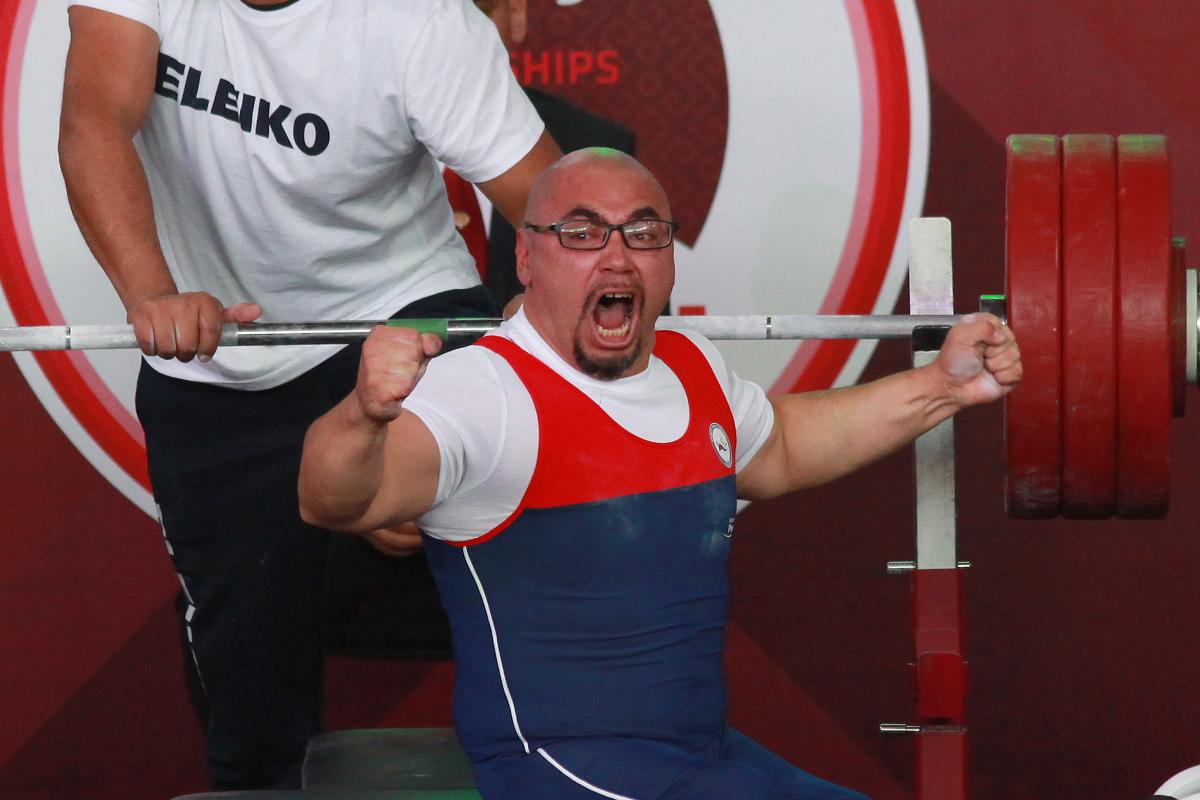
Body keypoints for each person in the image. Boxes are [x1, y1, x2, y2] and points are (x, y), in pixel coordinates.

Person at [298, 148, 1023, 799]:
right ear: (527, 259)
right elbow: (333, 498)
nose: (617, 258)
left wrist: (945, 388)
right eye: (582, 233)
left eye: (643, 233)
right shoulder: (485, 392)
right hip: (560, 770)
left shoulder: (689, 360)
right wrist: (364, 414)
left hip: (704, 759)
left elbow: (785, 448)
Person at [58, 0, 561, 789]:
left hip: (400, 315)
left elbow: (556, 206)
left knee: (534, 602)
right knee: (252, 689)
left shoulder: (420, 19)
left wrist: (546, 321)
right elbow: (94, 121)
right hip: (217, 352)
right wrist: (154, 293)